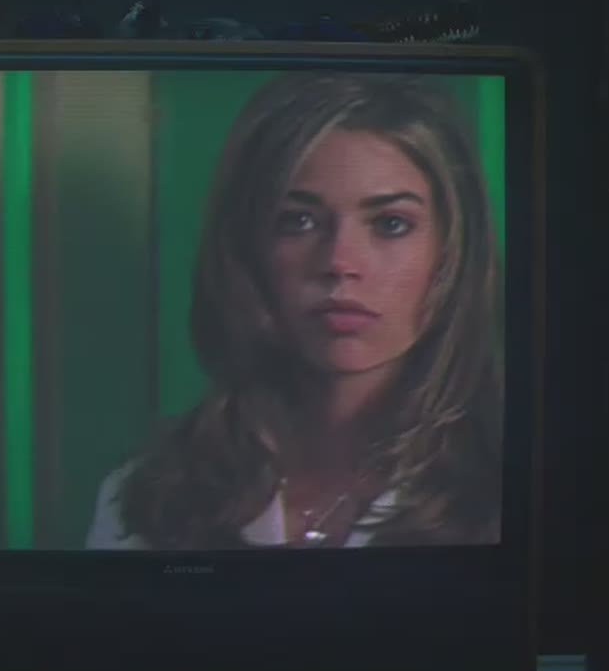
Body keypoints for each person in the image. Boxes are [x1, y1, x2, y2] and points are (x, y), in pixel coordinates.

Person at [86, 72, 503, 550]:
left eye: (390, 224)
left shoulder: (515, 490)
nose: (339, 263)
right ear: (248, 249)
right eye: (299, 221)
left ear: (451, 251)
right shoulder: (146, 497)